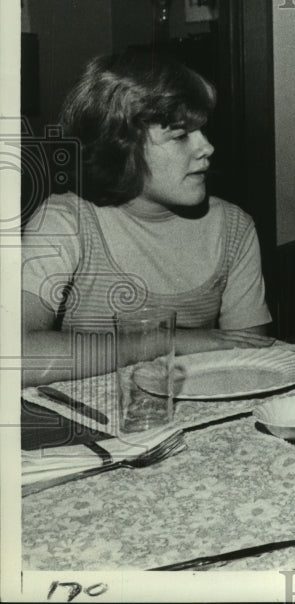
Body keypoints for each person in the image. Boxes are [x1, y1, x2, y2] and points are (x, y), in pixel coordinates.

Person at [21, 51, 273, 387]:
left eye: (203, 131)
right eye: (181, 135)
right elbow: (15, 356)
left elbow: (254, 364)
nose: (207, 147)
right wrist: (158, 342)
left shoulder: (234, 228)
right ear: (120, 146)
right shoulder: (65, 223)